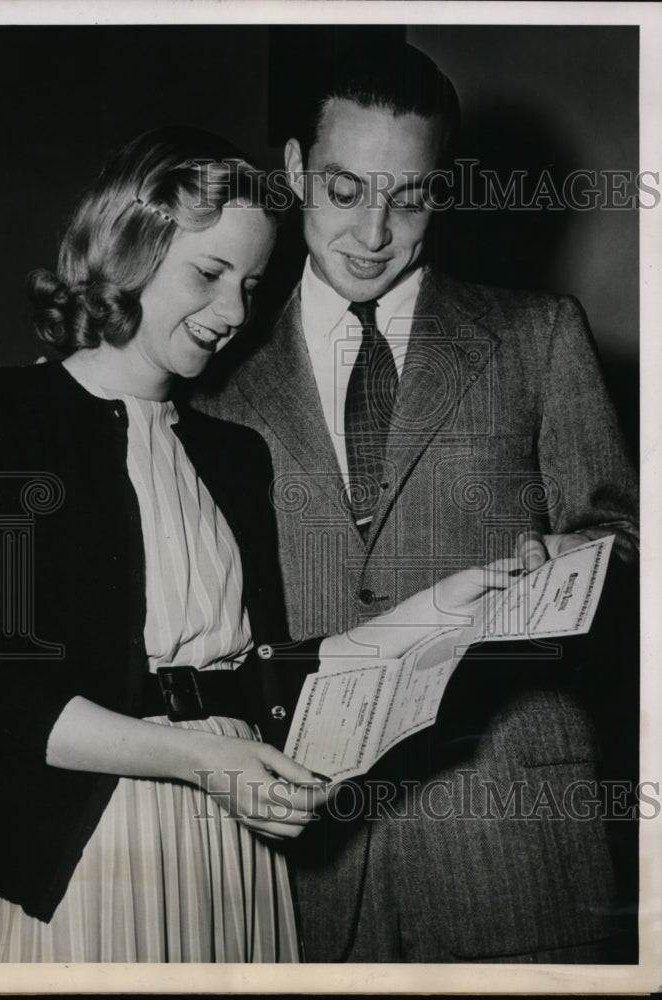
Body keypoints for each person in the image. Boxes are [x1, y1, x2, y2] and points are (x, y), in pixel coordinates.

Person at [0, 124, 509, 964]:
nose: (234, 315)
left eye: (249, 283)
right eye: (208, 275)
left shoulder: (231, 455)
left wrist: (433, 613)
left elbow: (259, 672)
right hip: (97, 845)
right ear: (127, 247)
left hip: (233, 839)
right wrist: (196, 760)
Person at [190, 42, 640, 962]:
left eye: (411, 196)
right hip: (301, 873)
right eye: (345, 191)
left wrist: (579, 564)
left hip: (513, 852)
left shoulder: (537, 335)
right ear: (292, 171)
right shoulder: (214, 380)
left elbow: (624, 542)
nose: (373, 233)